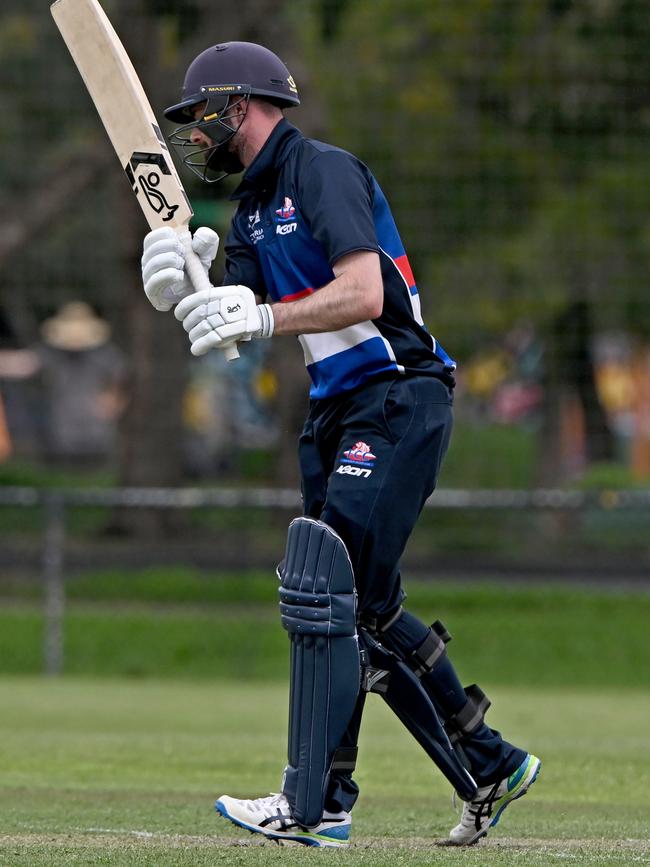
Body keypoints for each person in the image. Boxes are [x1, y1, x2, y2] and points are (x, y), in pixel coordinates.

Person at [141, 41, 541, 848]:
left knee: (330, 593)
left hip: (397, 393)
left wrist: (258, 314)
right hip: (335, 411)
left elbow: (360, 291)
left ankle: (317, 800)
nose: (193, 135)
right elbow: (233, 319)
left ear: (240, 107)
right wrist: (185, 281)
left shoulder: (321, 171)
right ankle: (487, 762)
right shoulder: (252, 206)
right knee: (362, 606)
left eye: (200, 117)